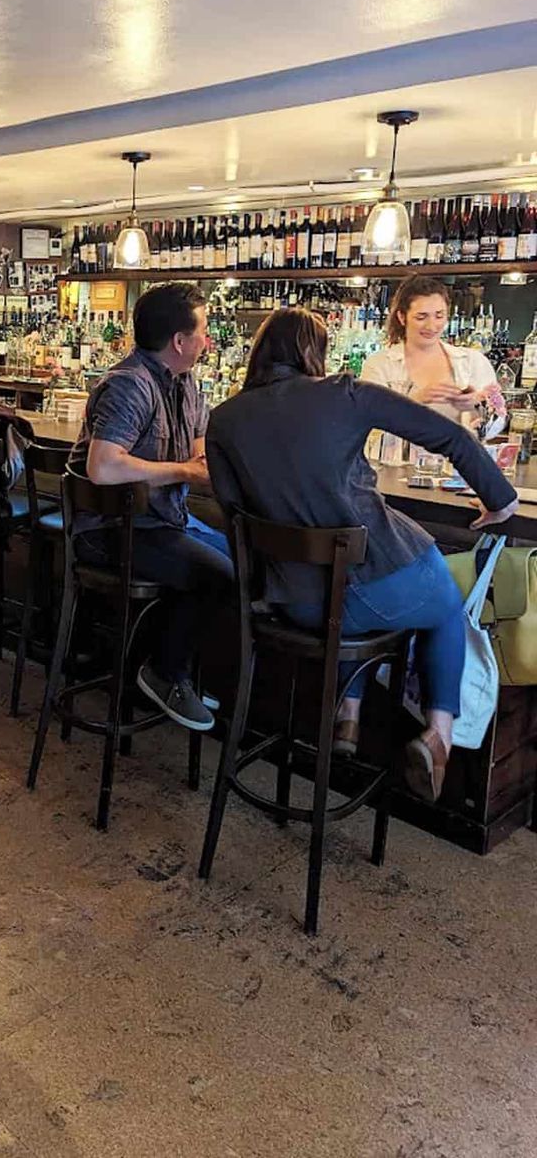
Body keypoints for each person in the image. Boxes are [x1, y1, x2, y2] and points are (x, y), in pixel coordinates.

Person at [205, 308, 518, 803]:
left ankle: (347, 715)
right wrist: (500, 499)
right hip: (373, 583)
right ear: (314, 354)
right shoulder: (343, 394)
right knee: (445, 608)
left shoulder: (224, 419)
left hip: (295, 603)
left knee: (351, 611)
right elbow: (452, 436)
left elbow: (232, 510)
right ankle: (438, 736)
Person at [70, 282, 233, 734]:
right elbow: (102, 467)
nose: (209, 341)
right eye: (203, 331)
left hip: (160, 522)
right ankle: (164, 672)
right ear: (179, 342)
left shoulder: (186, 384)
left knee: (243, 560)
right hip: (113, 531)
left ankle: (171, 668)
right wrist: (182, 472)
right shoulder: (130, 385)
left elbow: (201, 453)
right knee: (221, 576)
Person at [361, 275, 506, 436]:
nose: (432, 326)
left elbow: (496, 426)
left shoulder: (473, 362)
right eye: (421, 317)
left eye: (439, 315)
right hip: (397, 460)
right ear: (402, 317)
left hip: (459, 459)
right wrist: (413, 403)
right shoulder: (379, 365)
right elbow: (368, 424)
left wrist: (476, 407)